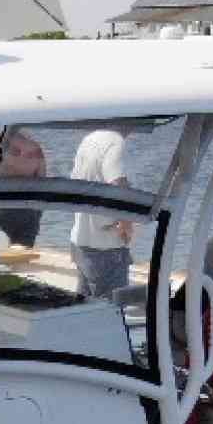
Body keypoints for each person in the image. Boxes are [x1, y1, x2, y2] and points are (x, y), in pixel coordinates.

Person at [68, 127, 135, 300]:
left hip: (80, 242)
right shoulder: (115, 141)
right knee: (110, 312)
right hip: (105, 248)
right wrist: (126, 222)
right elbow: (116, 181)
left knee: (83, 306)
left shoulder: (89, 139)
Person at [0, 127, 47, 247]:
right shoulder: (35, 147)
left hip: (2, 208)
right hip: (30, 209)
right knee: (22, 250)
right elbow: (42, 179)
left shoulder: (2, 142)